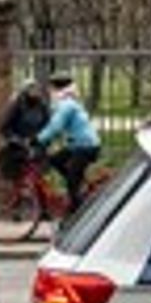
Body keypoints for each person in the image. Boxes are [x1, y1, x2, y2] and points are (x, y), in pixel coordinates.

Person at [35, 73, 103, 212]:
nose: (49, 91)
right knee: (54, 160)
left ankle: (75, 211)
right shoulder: (67, 102)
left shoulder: (67, 105)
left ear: (57, 88)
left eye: (51, 88)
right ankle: (78, 182)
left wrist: (37, 139)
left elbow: (56, 126)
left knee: (72, 179)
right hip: (77, 145)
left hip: (86, 146)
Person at [0, 76, 49, 182]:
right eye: (31, 88)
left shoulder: (42, 106)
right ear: (25, 91)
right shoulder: (17, 105)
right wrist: (17, 140)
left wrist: (43, 140)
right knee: (22, 180)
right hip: (20, 148)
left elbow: (47, 126)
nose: (35, 91)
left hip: (37, 147)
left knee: (38, 180)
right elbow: (5, 128)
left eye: (36, 89)